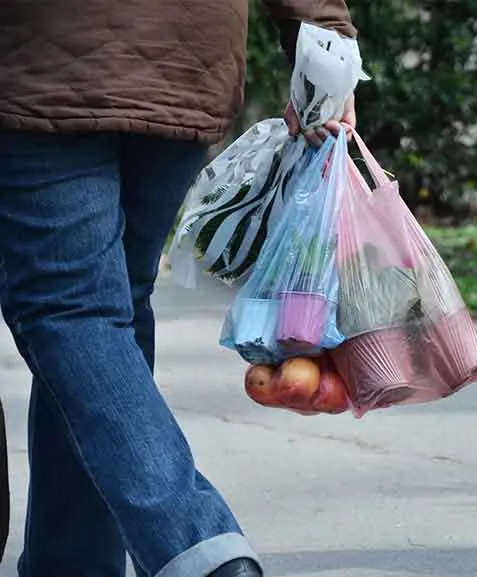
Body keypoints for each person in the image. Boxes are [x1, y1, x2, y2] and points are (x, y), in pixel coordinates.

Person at [0, 2, 358, 576]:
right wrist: (327, 46)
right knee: (108, 313)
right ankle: (73, 564)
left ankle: (195, 544)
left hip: (41, 60)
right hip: (185, 58)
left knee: (72, 311)